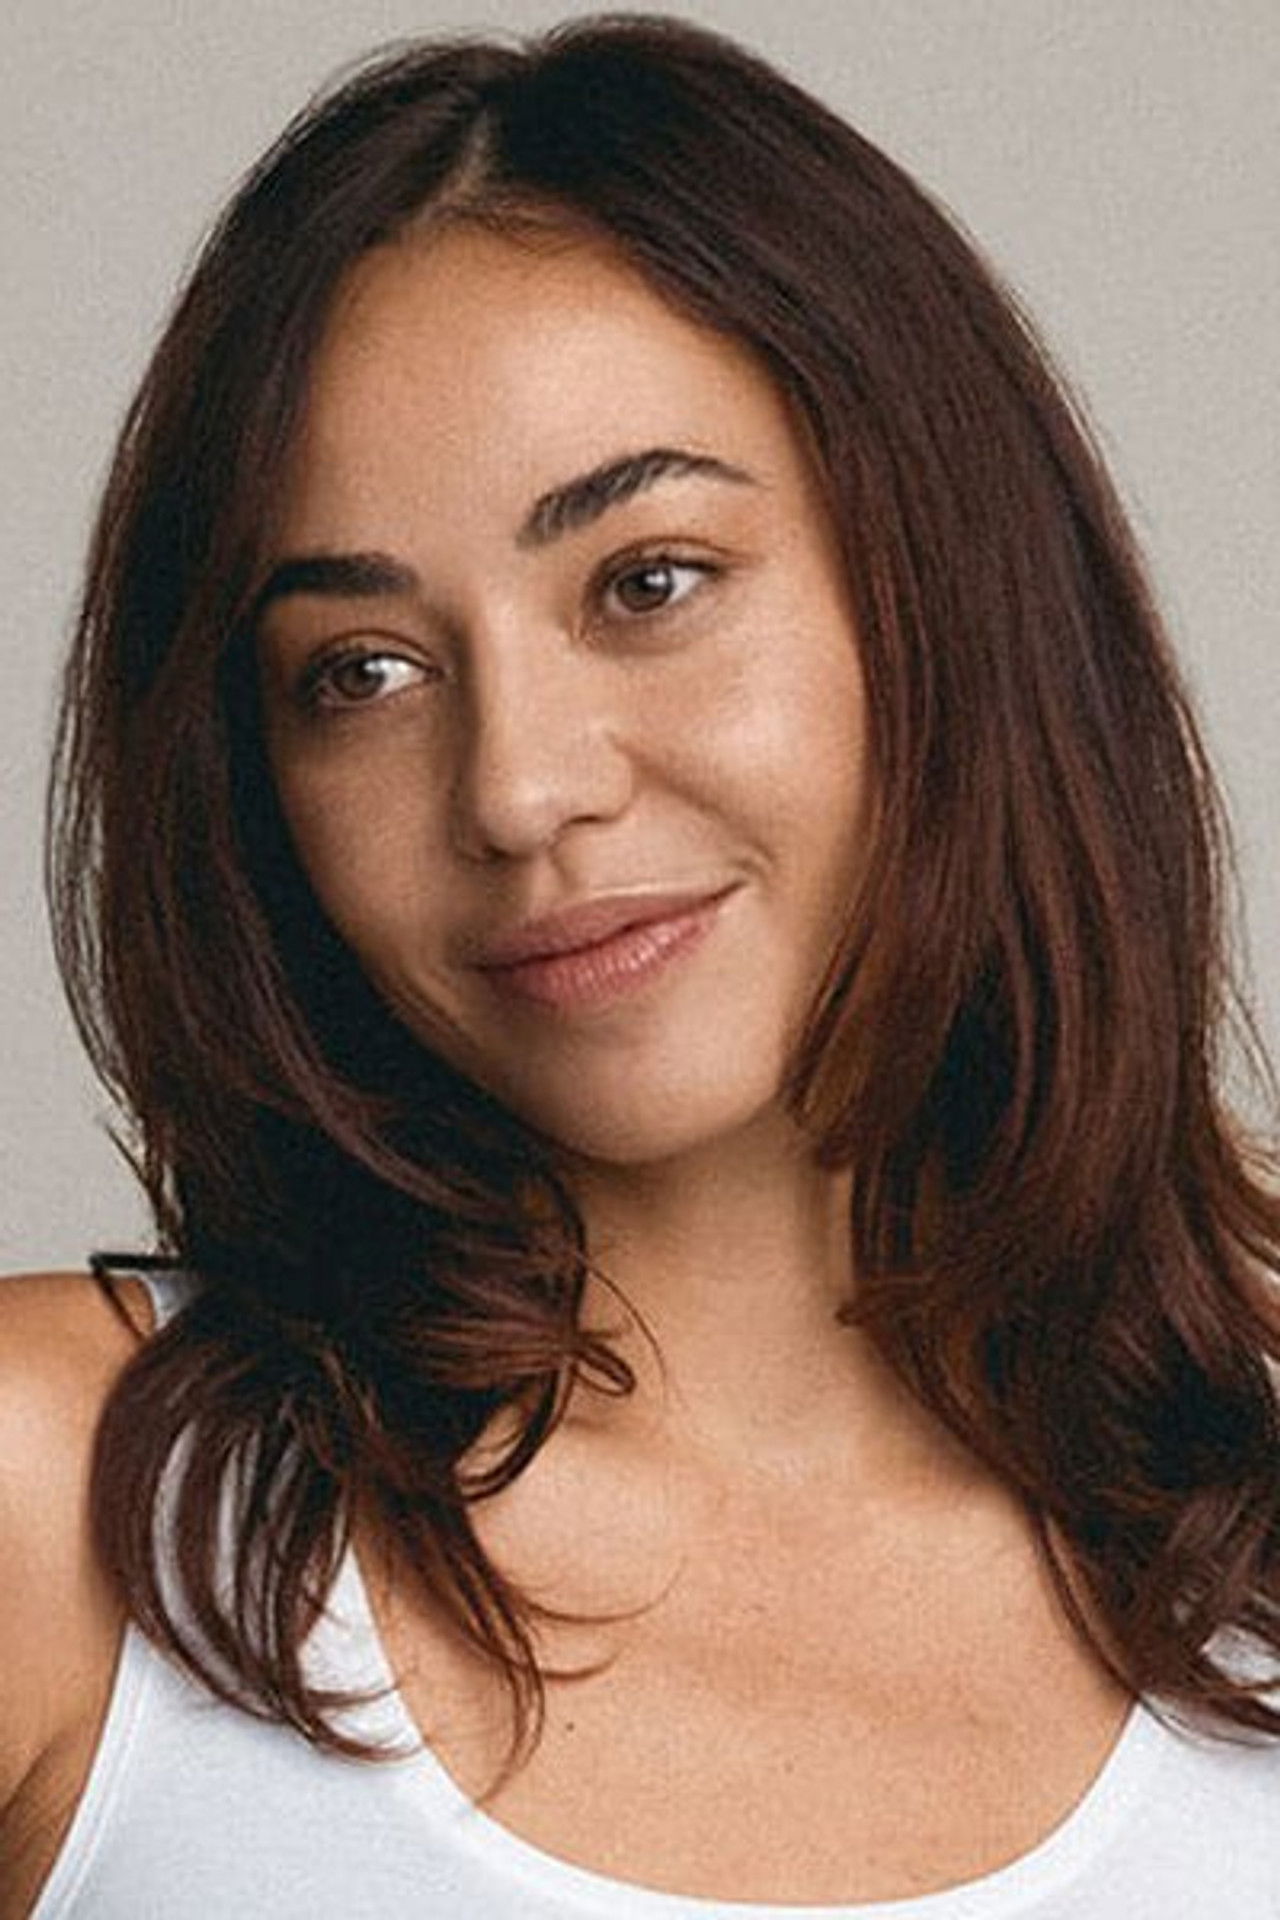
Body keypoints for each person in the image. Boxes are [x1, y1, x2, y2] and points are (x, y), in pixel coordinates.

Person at [2, 14, 1278, 1916]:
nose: (518, 790)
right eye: (361, 672)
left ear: (948, 586)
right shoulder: (59, 1510)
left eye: (647, 583)